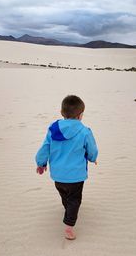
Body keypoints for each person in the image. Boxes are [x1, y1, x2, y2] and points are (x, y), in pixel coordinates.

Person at [35, 95, 98, 240]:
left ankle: (69, 209)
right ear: (80, 115)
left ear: (62, 112)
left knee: (65, 195)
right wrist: (93, 158)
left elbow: (45, 147)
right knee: (75, 199)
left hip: (58, 175)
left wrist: (41, 163)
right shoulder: (84, 131)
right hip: (76, 176)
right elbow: (92, 149)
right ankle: (69, 226)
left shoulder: (53, 130)